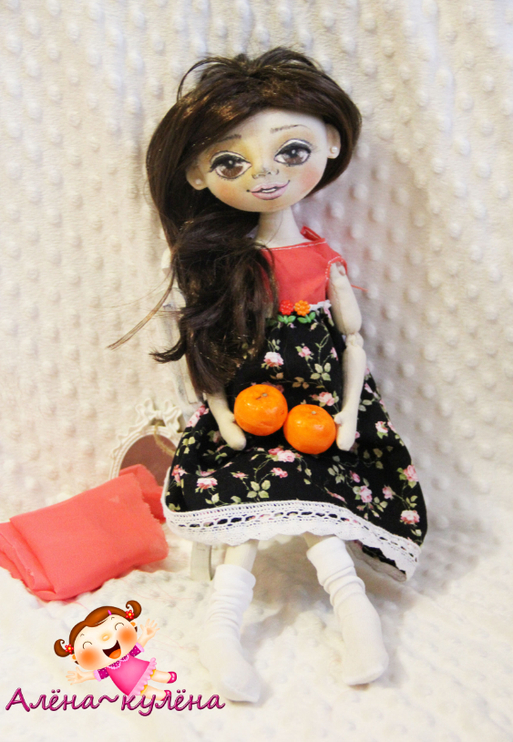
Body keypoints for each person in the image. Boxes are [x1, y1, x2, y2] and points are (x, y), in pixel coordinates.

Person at [127, 48, 427, 702]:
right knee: (246, 515)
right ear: (198, 176)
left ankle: (356, 615)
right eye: (230, 162)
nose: (264, 174)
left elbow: (352, 341)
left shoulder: (322, 258)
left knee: (321, 508)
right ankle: (220, 627)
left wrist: (349, 413)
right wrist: (223, 417)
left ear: (331, 144)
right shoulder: (221, 265)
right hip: (248, 418)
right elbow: (205, 350)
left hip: (317, 416)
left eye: (292, 151)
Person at [54, 601, 177, 699]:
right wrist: (84, 676)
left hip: (139, 668)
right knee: (144, 689)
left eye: (117, 627)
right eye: (88, 644)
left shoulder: (127, 654)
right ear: (75, 657)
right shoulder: (107, 669)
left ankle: (166, 677)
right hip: (127, 682)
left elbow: (137, 647)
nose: (105, 638)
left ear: (132, 624)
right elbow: (97, 674)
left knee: (152, 672)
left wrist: (145, 635)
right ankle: (162, 696)